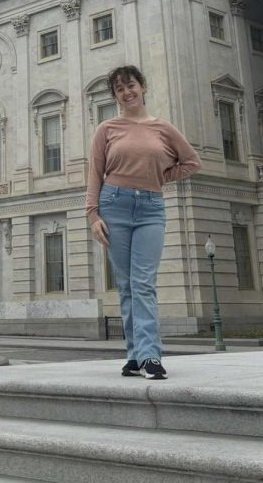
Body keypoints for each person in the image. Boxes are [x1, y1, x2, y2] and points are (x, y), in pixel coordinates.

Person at [86, 64, 201, 380]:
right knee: (126, 285)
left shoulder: (162, 128)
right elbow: (95, 173)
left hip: (151, 208)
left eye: (131, 85)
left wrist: (163, 176)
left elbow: (191, 161)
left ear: (143, 87)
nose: (127, 92)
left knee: (144, 283)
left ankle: (151, 356)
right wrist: (93, 215)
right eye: (120, 89)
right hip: (114, 205)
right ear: (115, 96)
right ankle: (135, 356)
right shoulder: (106, 129)